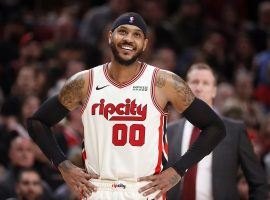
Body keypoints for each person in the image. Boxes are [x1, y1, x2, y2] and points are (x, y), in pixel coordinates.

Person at [27, 12, 226, 200]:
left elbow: (215, 127)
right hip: (98, 188)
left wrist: (178, 170)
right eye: (123, 31)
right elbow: (37, 122)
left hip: (144, 188)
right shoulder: (85, 81)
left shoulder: (164, 82)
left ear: (145, 44)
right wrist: (64, 166)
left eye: (137, 35)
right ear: (109, 36)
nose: (129, 39)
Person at [166, 63, 268, 200]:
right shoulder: (170, 130)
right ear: (185, 88)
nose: (199, 88)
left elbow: (258, 182)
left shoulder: (234, 130)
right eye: (194, 82)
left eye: (205, 83)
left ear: (214, 90)